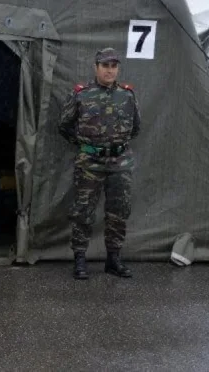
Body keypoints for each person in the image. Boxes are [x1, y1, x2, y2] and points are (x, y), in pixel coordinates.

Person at [57, 47, 140, 280]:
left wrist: (115, 147)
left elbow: (136, 127)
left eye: (114, 66)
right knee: (83, 212)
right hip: (90, 163)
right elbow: (64, 125)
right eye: (105, 66)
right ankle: (80, 259)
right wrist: (85, 145)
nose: (109, 71)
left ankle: (113, 259)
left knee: (118, 212)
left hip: (120, 163)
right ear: (96, 67)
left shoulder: (127, 96)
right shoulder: (81, 94)